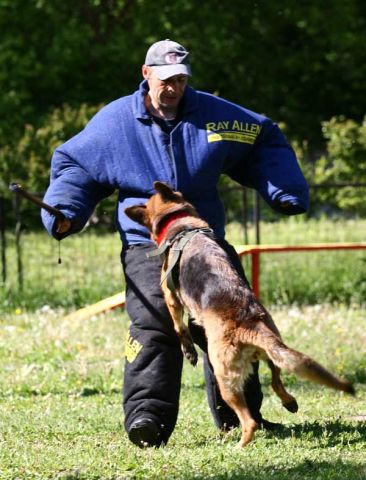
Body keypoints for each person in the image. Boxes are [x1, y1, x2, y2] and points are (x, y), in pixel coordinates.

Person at [42, 39, 309, 448]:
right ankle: (148, 418)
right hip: (148, 244)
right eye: (166, 79)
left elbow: (263, 140)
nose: (173, 88)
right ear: (146, 74)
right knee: (155, 325)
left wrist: (283, 188)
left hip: (205, 241)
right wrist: (65, 211)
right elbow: (76, 165)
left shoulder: (216, 118)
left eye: (181, 79)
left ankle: (241, 418)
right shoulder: (115, 123)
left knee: (233, 324)